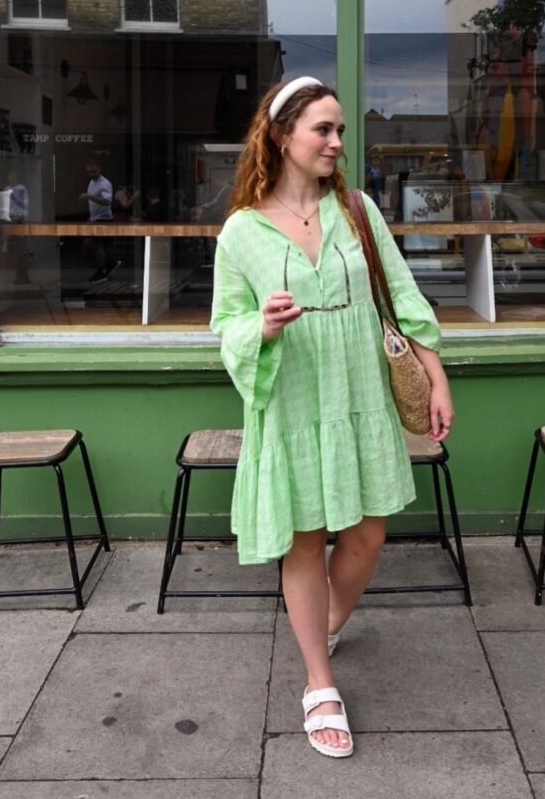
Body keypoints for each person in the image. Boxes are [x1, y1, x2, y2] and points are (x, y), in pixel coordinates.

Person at [210, 77, 455, 760]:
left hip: (357, 398)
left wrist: (437, 380)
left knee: (369, 536)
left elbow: (402, 297)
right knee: (305, 540)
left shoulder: (356, 210)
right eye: (324, 129)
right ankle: (320, 682)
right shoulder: (242, 231)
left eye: (340, 130)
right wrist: (259, 325)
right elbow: (223, 322)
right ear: (282, 134)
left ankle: (325, 625)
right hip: (291, 401)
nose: (337, 142)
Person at [80, 160, 118, 282]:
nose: (91, 174)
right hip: (95, 218)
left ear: (99, 169)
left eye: (94, 171)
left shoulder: (104, 183)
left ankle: (102, 270)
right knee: (98, 245)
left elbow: (107, 201)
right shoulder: (92, 182)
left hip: (103, 219)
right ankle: (110, 263)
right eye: (89, 172)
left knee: (93, 244)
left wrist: (89, 196)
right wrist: (91, 218)